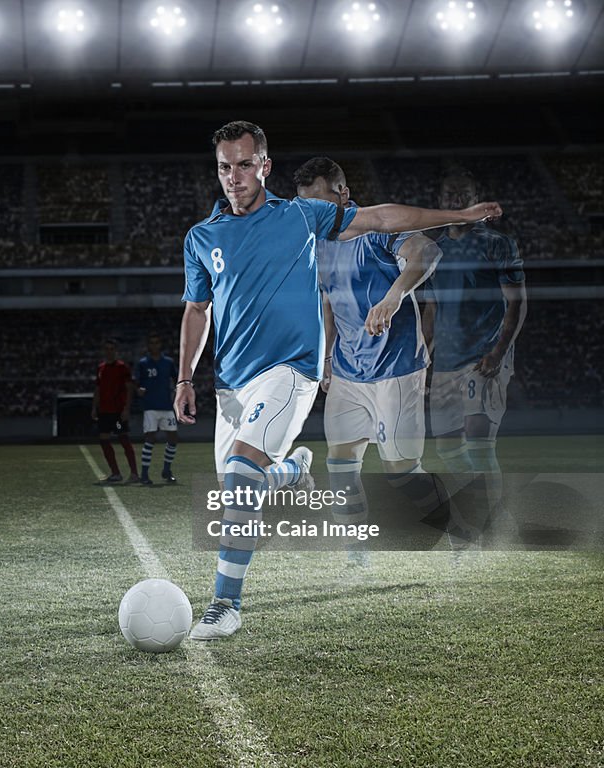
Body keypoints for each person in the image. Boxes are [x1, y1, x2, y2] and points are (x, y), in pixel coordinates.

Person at [175, 121, 503, 640]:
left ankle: (225, 605)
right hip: (237, 384)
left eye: (243, 164)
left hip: (291, 372)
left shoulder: (300, 217)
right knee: (241, 493)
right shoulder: (201, 237)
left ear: (264, 166)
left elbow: (382, 218)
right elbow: (197, 308)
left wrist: (457, 217)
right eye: (224, 166)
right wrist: (184, 378)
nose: (233, 176)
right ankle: (291, 471)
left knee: (251, 479)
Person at [294, 157, 447, 563]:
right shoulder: (318, 244)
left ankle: (450, 521)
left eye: (319, 203)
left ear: (343, 195)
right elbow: (328, 303)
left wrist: (394, 295)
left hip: (396, 367)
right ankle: (356, 549)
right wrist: (326, 357)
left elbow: (426, 251)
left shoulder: (377, 230)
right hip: (347, 370)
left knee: (400, 470)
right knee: (342, 464)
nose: (312, 215)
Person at [424, 169, 526, 528]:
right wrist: (425, 358)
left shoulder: (498, 243)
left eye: (462, 193)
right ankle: (490, 507)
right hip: (446, 362)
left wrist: (498, 353)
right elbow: (432, 308)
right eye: (448, 194)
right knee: (448, 448)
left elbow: (516, 303)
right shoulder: (433, 248)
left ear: (476, 199)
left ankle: (484, 523)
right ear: (439, 202)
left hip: (483, 358)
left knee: (479, 442)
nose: (454, 199)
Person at [91, 338, 139, 483]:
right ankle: (115, 473)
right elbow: (98, 389)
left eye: (112, 349)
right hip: (104, 411)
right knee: (103, 439)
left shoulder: (122, 367)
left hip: (118, 411)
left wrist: (126, 409)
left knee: (123, 439)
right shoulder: (101, 368)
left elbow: (129, 388)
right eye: (107, 349)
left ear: (116, 351)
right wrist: (94, 407)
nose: (109, 352)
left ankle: (134, 474)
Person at [136, 333, 179, 485]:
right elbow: (137, 382)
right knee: (150, 438)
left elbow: (176, 379)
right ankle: (145, 474)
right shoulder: (143, 363)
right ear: (148, 345)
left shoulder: (168, 362)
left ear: (160, 345)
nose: (154, 345)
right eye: (151, 343)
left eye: (156, 342)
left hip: (166, 405)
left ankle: (167, 470)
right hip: (150, 406)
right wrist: (139, 389)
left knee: (173, 438)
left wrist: (176, 391)